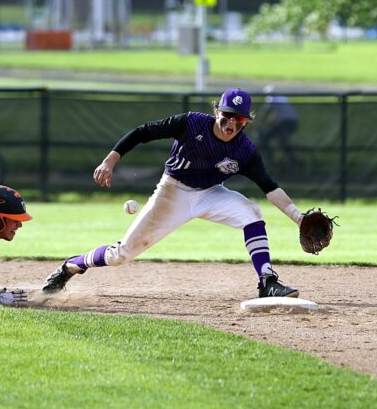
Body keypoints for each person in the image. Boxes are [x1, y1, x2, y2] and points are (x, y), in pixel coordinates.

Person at [42, 88, 306, 298]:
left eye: (239, 119)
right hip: (172, 192)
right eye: (227, 114)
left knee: (252, 212)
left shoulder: (244, 151)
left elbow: (270, 187)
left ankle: (267, 281)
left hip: (211, 194)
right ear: (216, 111)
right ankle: (72, 266)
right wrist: (110, 160)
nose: (231, 123)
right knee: (121, 255)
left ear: (246, 122)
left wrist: (299, 218)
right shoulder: (191, 124)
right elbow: (143, 132)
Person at [256, 89, 300, 169]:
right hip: (293, 123)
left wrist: (259, 126)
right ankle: (292, 160)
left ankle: (271, 162)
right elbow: (278, 116)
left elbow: (266, 113)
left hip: (285, 123)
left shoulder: (271, 99)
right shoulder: (283, 98)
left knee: (265, 138)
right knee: (283, 141)